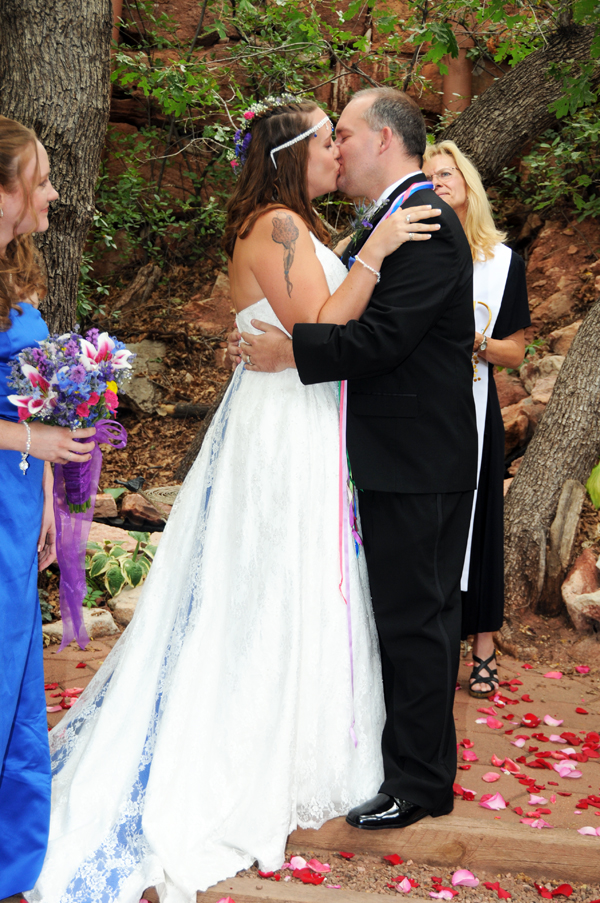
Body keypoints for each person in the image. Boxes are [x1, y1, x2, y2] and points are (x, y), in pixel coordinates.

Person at [28, 97, 439, 903]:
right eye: (329, 140)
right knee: (274, 579)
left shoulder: (296, 224)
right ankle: (245, 746)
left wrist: (348, 269)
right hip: (281, 433)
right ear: (295, 153)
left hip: (305, 417)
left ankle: (300, 740)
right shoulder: (278, 228)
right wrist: (379, 248)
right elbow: (320, 321)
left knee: (302, 579)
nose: (340, 151)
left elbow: (303, 334)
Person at [237, 87, 478, 830]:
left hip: (418, 457)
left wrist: (291, 351)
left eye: (343, 133)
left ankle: (421, 783)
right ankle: (410, 766)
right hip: (395, 453)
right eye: (325, 137)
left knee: (419, 620)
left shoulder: (427, 224)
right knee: (407, 616)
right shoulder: (385, 221)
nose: (336, 147)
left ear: (381, 138)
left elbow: (383, 341)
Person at [0, 115, 96, 899]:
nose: (54, 192)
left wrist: (38, 500)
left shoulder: (14, 268)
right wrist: (32, 436)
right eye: (41, 179)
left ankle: (11, 862)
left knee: (18, 679)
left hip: (12, 496)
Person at [423, 140, 530, 698]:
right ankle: (434, 645)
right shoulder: (415, 248)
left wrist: (479, 342)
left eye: (448, 173)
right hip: (424, 410)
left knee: (481, 522)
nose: (439, 182)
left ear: (467, 182)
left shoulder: (503, 262)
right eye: (429, 175)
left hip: (476, 403)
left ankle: (484, 646)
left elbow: (516, 350)